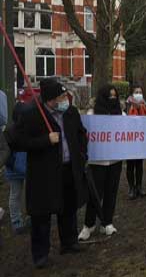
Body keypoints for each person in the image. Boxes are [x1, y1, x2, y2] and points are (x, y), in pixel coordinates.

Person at [4, 78, 88, 269]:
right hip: (44, 174)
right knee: (41, 215)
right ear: (51, 100)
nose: (65, 99)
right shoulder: (33, 115)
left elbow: (81, 134)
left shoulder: (70, 112)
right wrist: (45, 140)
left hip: (68, 169)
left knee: (68, 208)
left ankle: (69, 242)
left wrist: (82, 154)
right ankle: (40, 254)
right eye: (61, 96)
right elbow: (16, 141)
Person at [78, 85, 123, 241]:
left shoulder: (121, 115)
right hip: (97, 161)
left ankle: (107, 222)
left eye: (114, 96)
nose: (112, 99)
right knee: (94, 194)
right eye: (109, 96)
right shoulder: (91, 115)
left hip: (115, 161)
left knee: (111, 191)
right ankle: (88, 225)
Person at [4, 103, 29, 234]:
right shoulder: (24, 130)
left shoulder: (9, 131)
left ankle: (17, 221)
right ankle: (18, 220)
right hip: (19, 167)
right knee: (18, 194)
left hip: (15, 168)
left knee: (16, 194)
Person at [125, 84, 146, 199]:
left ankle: (139, 186)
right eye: (136, 92)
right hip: (129, 140)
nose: (139, 94)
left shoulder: (145, 106)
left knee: (139, 164)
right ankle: (131, 187)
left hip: (140, 139)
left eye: (140, 92)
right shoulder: (127, 105)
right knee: (130, 165)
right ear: (132, 94)